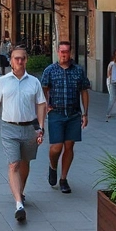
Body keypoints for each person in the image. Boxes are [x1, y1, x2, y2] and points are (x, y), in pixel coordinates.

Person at [0, 46, 46, 222]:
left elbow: (41, 104)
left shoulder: (34, 82)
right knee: (14, 164)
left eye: (22, 58)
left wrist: (41, 127)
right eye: (16, 58)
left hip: (30, 128)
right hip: (9, 128)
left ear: (26, 60)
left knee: (25, 163)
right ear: (10, 60)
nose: (19, 61)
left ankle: (21, 191)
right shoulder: (2, 81)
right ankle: (19, 204)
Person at [40, 41, 90, 194]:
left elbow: (84, 91)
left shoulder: (78, 71)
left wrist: (85, 113)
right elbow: (44, 89)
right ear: (57, 52)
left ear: (71, 53)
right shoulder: (50, 70)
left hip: (73, 114)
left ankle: (63, 179)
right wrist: (47, 105)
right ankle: (53, 166)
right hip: (56, 113)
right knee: (56, 147)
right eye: (61, 51)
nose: (64, 54)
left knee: (69, 146)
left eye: (66, 51)